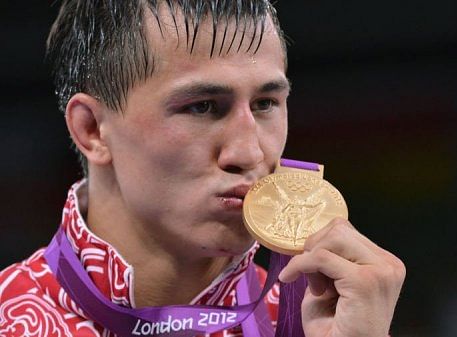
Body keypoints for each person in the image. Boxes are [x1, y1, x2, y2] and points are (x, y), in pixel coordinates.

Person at [0, 1, 406, 336]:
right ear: (92, 129)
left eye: (265, 103)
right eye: (202, 107)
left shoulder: (323, 323)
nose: (249, 153)